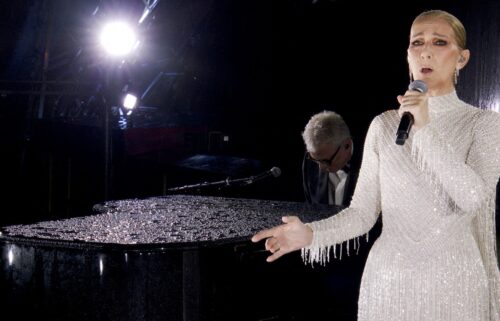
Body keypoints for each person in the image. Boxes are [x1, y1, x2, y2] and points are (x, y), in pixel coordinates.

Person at [252, 9, 500, 321]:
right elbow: (362, 213)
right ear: (407, 55)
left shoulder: (484, 124)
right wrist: (311, 235)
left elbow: (472, 197)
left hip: (455, 286)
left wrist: (425, 128)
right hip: (388, 283)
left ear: (461, 58)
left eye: (439, 42)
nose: (425, 50)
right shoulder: (383, 125)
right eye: (416, 42)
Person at [302, 111, 358, 207]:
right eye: (315, 160)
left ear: (347, 145)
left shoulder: (373, 163)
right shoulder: (310, 162)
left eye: (325, 161)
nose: (321, 168)